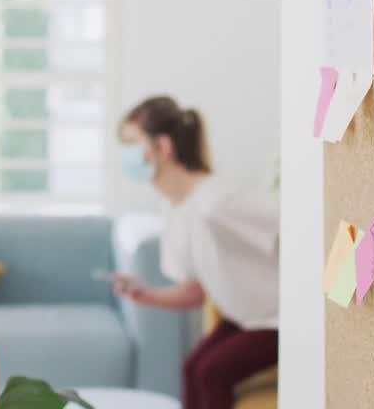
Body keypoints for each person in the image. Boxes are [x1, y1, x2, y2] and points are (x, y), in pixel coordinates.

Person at [111, 97, 279, 409]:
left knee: (211, 373)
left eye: (131, 143)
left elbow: (290, 228)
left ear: (162, 147)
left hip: (279, 318)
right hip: (245, 318)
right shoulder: (175, 209)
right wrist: (147, 294)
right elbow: (195, 290)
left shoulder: (216, 201)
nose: (126, 156)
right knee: (192, 367)